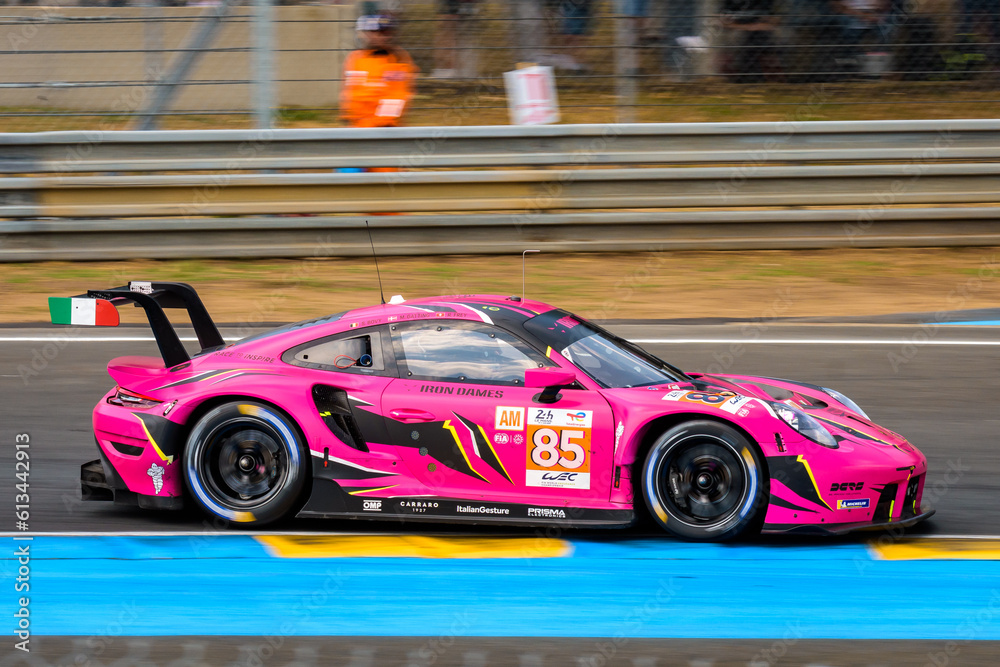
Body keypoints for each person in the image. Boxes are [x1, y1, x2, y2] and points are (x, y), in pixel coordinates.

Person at [340, 14, 418, 129]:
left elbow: (396, 95)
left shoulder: (397, 59)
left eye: (383, 32)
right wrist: (348, 115)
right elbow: (351, 91)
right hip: (357, 126)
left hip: (384, 127)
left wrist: (382, 124)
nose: (378, 36)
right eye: (372, 31)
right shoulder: (355, 57)